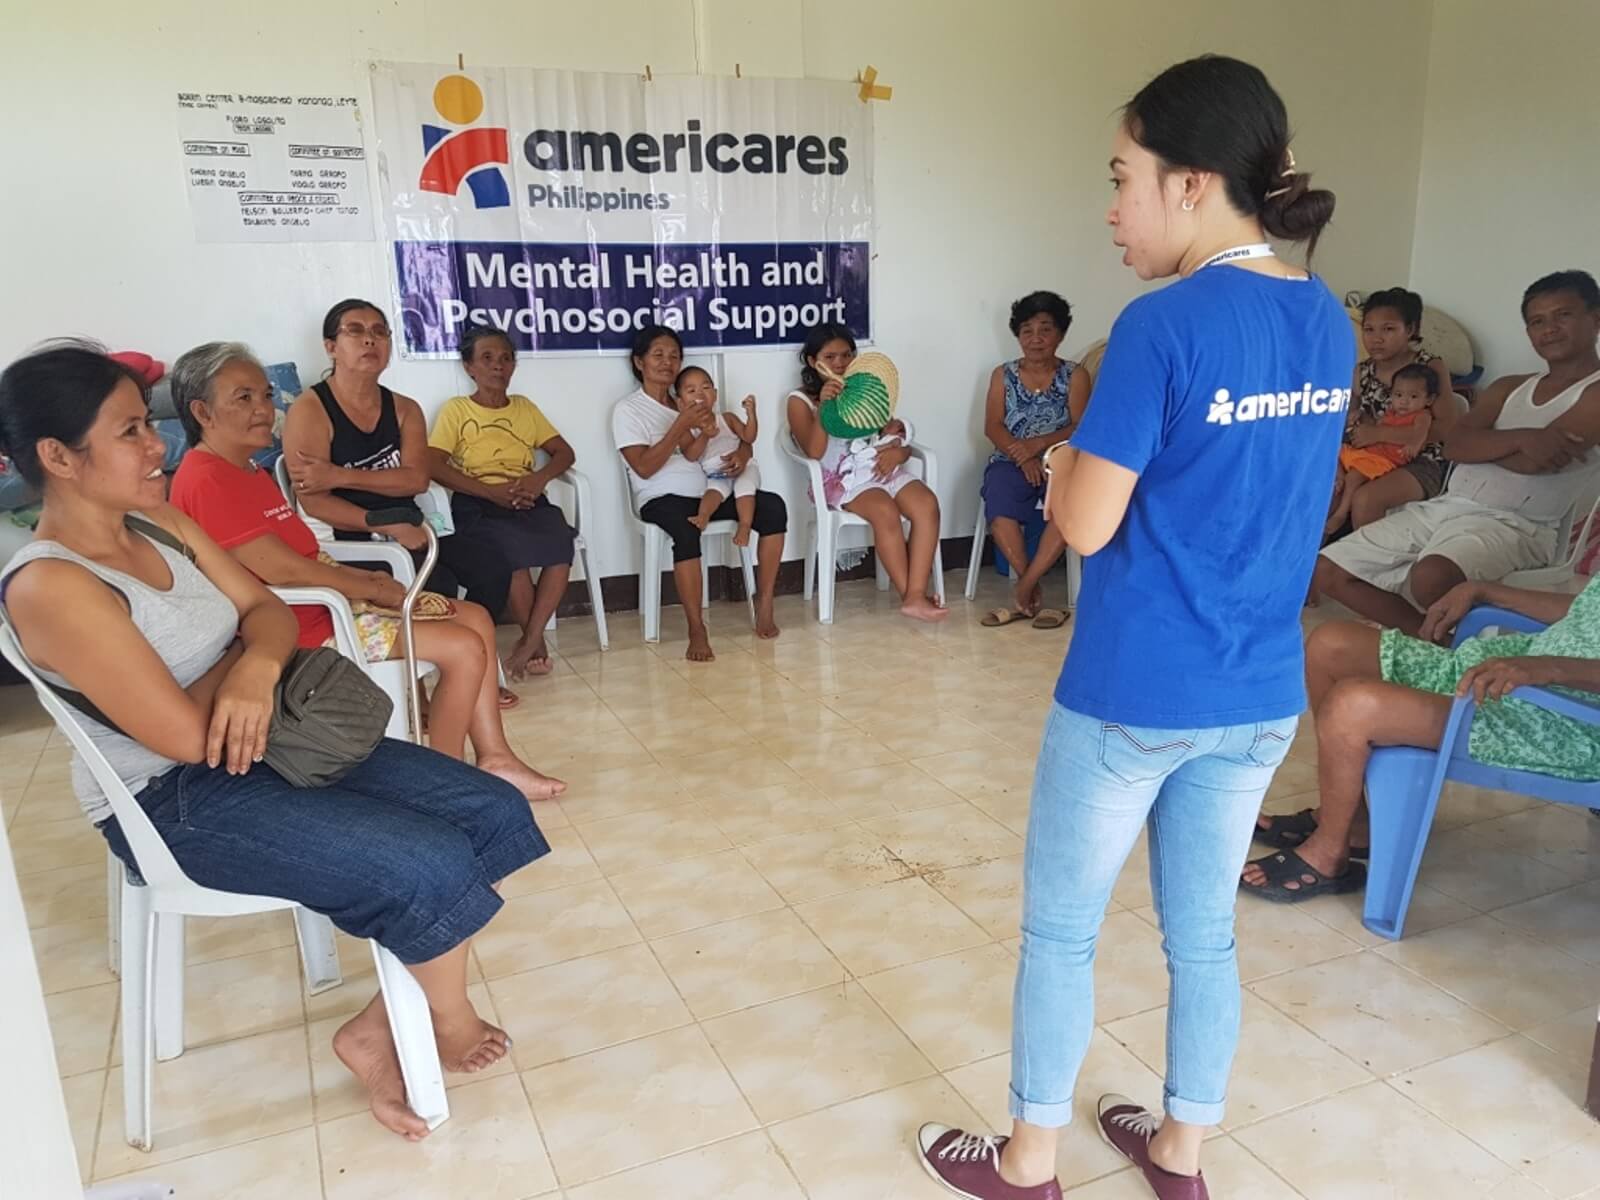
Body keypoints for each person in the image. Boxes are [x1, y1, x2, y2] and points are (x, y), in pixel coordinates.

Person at [916, 55, 1351, 1200]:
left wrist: (1061, 462)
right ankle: (1179, 1150)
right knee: (1201, 933)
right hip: (1258, 690)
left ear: (1194, 181)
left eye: (1123, 178)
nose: (1111, 209)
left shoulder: (1161, 326)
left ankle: (1026, 1162)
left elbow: (1090, 528)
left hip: (1134, 691)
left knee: (1061, 933)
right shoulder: (1327, 321)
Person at [0, 341, 550, 1141]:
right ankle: (444, 1017)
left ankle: (371, 1028)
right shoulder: (54, 584)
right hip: (175, 798)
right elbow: (187, 736)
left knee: (492, 811)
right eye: (129, 432)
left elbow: (264, 609)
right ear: (59, 456)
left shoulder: (157, 522)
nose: (158, 447)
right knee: (426, 860)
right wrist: (250, 656)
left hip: (274, 737)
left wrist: (255, 662)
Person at [167, 341, 565, 801]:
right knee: (463, 648)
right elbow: (282, 569)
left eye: (264, 394)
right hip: (303, 628)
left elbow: (302, 554)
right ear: (202, 412)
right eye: (244, 398)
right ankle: (446, 783)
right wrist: (369, 585)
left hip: (329, 606)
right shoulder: (205, 478)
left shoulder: (248, 471)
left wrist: (366, 587)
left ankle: (496, 759)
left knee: (474, 615)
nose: (264, 408)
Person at [1244, 575, 1600, 901]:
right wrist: (1486, 590)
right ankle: (1353, 823)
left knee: (1355, 705)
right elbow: (1588, 608)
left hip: (1562, 719)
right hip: (1508, 679)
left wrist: (1551, 667)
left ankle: (1329, 853)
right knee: (1331, 644)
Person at [1315, 270, 1600, 636]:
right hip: (1450, 505)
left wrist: (1486, 445)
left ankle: (1449, 643)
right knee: (1330, 570)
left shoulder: (1593, 393)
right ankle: (1435, 642)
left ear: (1595, 319)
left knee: (1430, 576)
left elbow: (1534, 462)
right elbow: (1454, 444)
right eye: (1537, 321)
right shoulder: (1509, 386)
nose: (1550, 328)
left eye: (1563, 315)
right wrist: (1526, 437)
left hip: (1520, 524)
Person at [612, 324, 785, 660]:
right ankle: (696, 627)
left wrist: (741, 457)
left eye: (674, 356)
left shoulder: (695, 402)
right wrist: (680, 423)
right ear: (638, 362)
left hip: (713, 487)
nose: (667, 362)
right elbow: (644, 467)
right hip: (661, 497)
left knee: (773, 507)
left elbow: (736, 440)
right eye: (657, 355)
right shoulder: (628, 410)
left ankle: (764, 600)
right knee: (688, 529)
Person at [426, 326, 577, 680]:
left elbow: (563, 452)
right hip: (478, 501)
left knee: (561, 545)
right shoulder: (457, 410)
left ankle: (529, 640)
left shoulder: (524, 408)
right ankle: (534, 643)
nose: (498, 366)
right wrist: (490, 491)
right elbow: (432, 464)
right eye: (488, 358)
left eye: (506, 358)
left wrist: (538, 480)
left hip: (526, 496)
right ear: (469, 367)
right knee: (509, 554)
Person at [786, 323, 947, 623]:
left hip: (881, 467)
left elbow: (891, 431)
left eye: (846, 355)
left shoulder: (864, 389)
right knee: (884, 511)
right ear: (812, 361)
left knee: (927, 505)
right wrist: (825, 408)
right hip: (842, 480)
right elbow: (814, 453)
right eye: (830, 357)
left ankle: (915, 594)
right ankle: (912, 596)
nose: (840, 364)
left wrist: (901, 451)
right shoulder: (800, 400)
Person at [980, 291, 1092, 629]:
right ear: (1018, 335)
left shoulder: (1075, 376)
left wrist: (1039, 447)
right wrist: (1021, 454)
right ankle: (1029, 581)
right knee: (998, 496)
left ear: (1060, 334)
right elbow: (992, 425)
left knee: (1066, 506)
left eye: (1045, 329)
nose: (1036, 338)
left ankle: (1025, 586)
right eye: (1027, 330)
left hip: (1061, 462)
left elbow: (1080, 426)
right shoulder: (1003, 375)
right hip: (1011, 461)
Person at [1343, 287, 1458, 526]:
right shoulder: (1361, 372)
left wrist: (1379, 433)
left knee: (1366, 499)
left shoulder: (1429, 367)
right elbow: (1350, 423)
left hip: (1421, 460)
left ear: (1411, 329)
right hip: (1373, 456)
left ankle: (1360, 563)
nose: (1376, 338)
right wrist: (1354, 421)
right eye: (1369, 329)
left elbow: (1448, 428)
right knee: (1326, 487)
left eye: (1389, 329)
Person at [1324, 362, 1436, 536]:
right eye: (1398, 395)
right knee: (1334, 450)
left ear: (1428, 399)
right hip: (1371, 453)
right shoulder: (1391, 413)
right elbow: (1374, 427)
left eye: (1413, 397)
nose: (1404, 401)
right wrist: (1359, 416)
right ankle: (1338, 477)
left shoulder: (1422, 416)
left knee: (1354, 477)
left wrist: (1413, 446)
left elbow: (1420, 433)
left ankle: (1340, 514)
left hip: (1386, 459)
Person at [673, 366, 761, 544]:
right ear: (680, 403)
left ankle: (744, 526)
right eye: (691, 391)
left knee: (744, 488)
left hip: (744, 467)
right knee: (712, 493)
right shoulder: (685, 430)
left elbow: (749, 437)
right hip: (716, 474)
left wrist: (751, 415)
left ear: (715, 394)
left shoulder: (727, 418)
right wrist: (705, 435)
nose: (700, 394)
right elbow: (691, 454)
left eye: (705, 388)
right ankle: (703, 517)